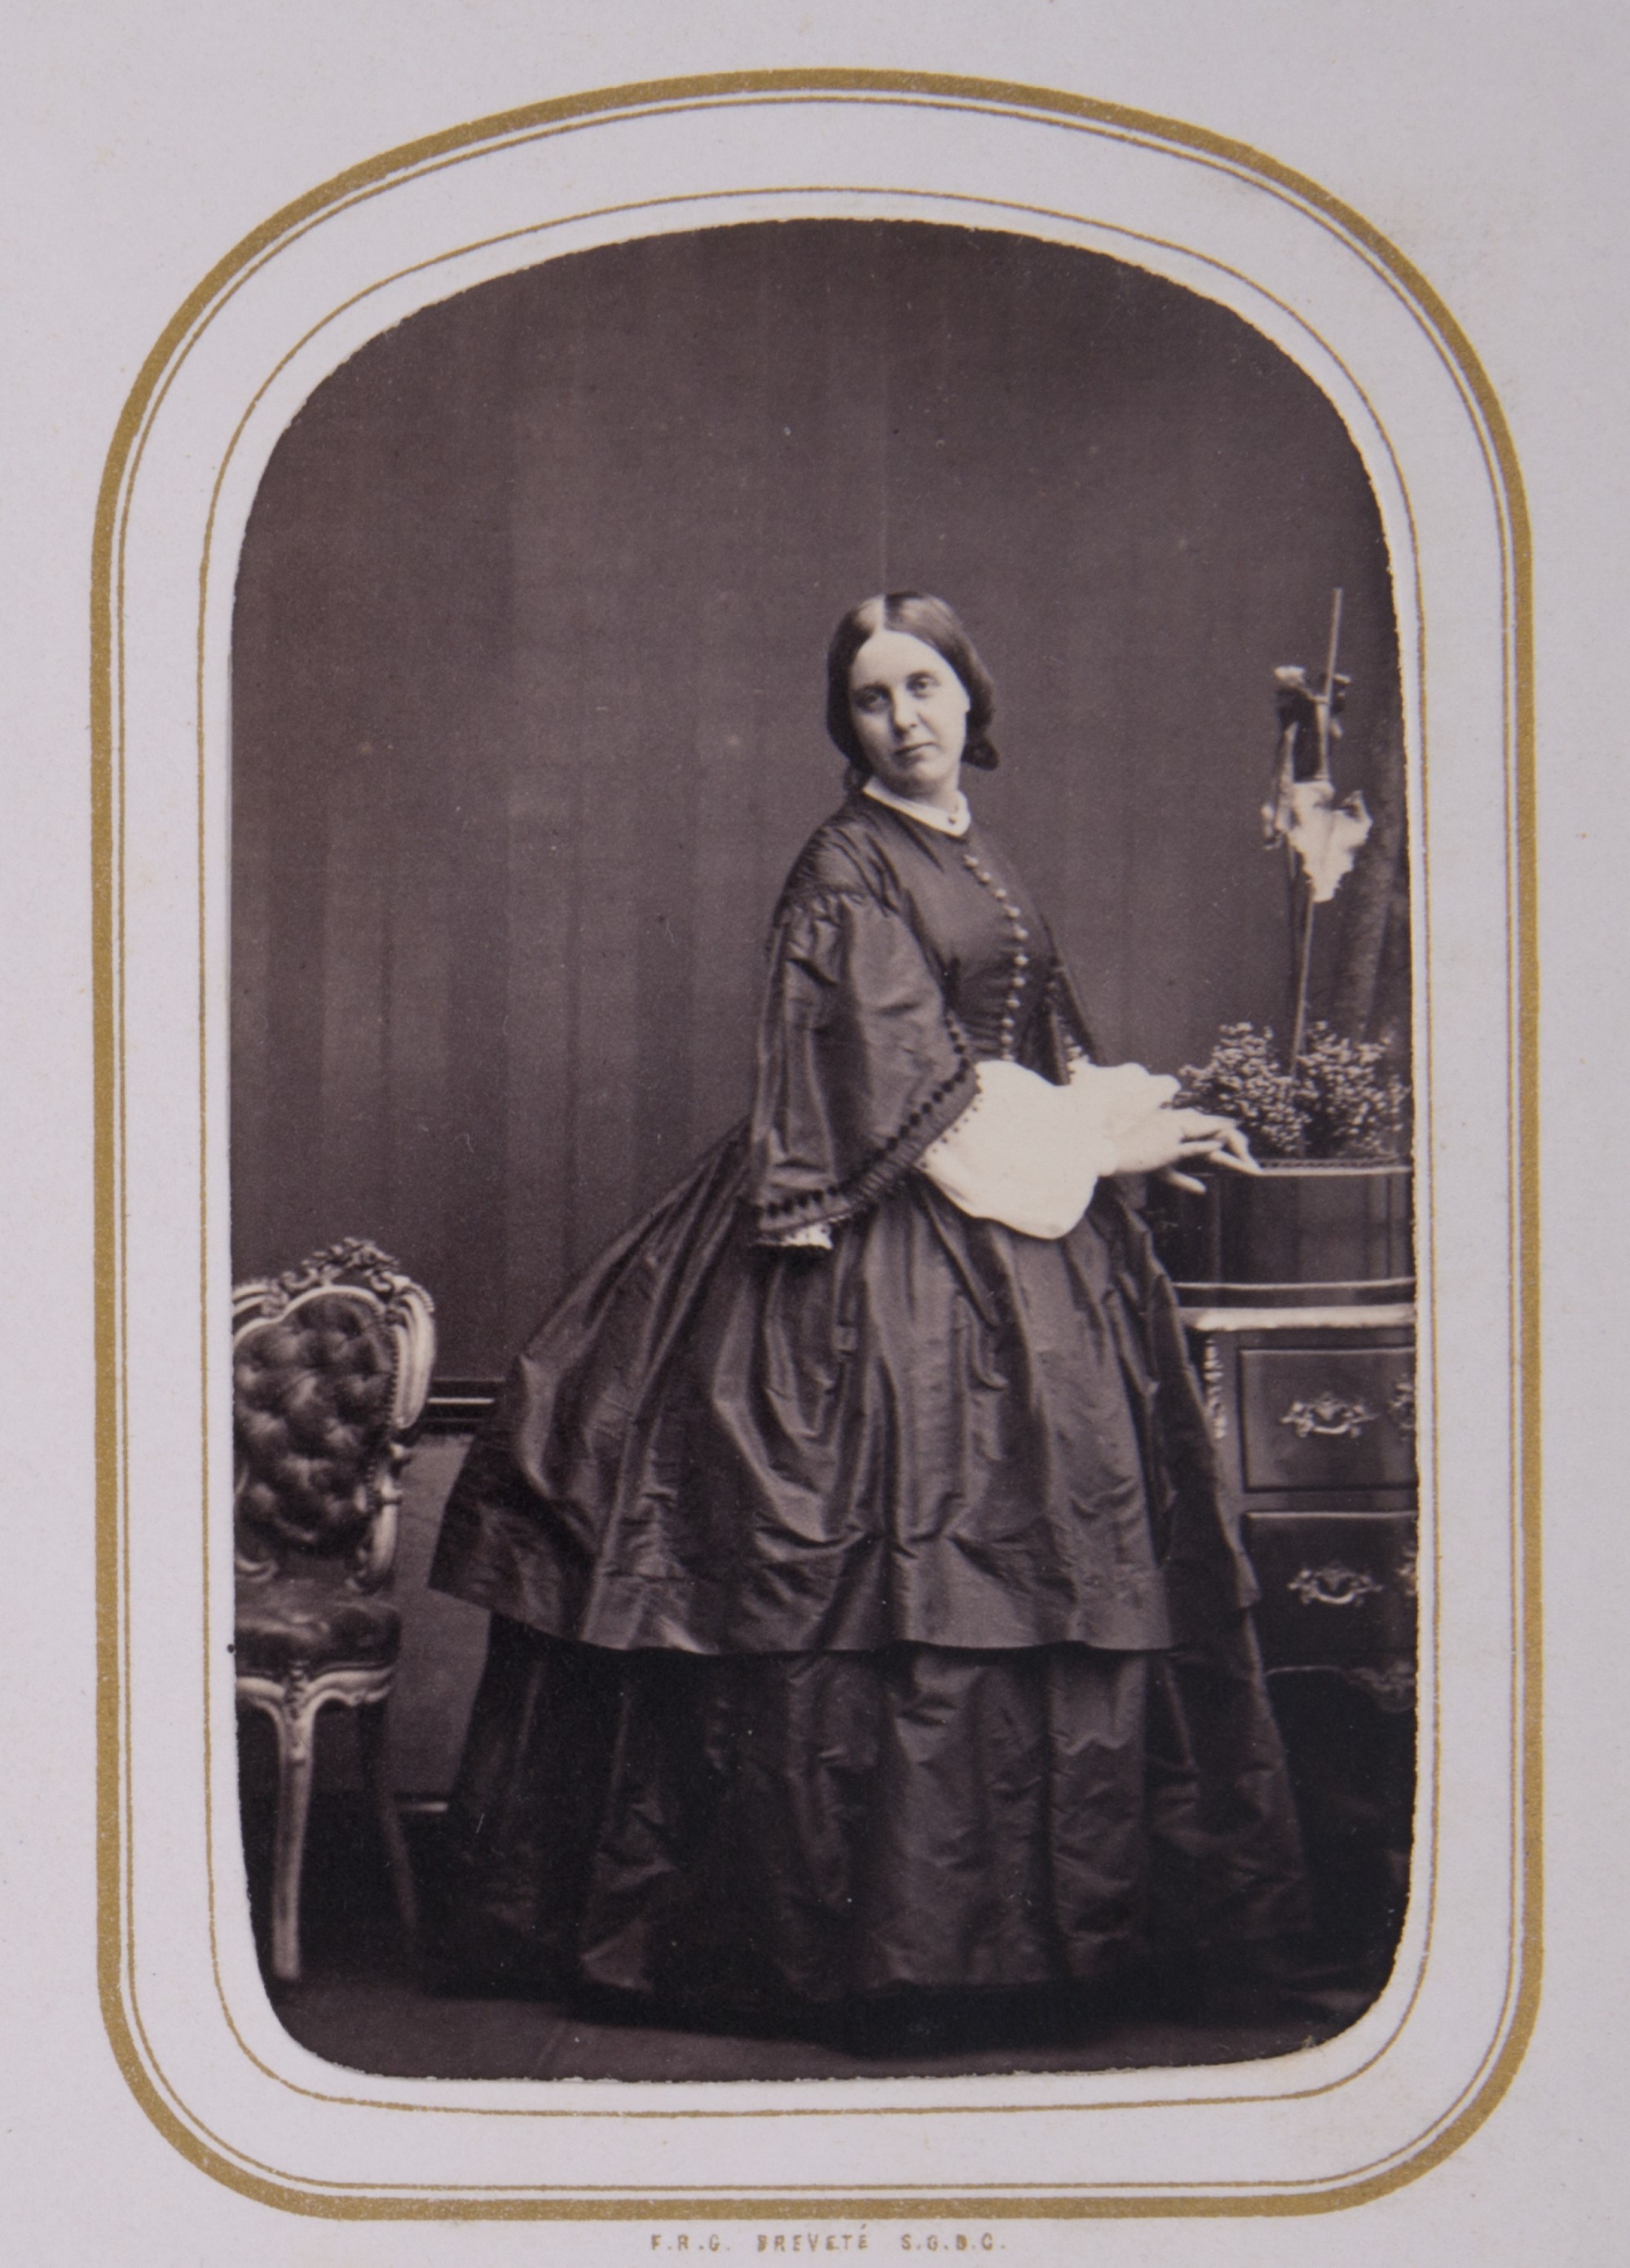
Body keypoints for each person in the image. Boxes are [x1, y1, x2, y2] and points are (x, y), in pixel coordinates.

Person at [428, 592, 1309, 2041]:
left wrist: (1134, 1126)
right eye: (873, 698)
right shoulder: (845, 864)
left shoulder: (974, 851)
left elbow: (1028, 1050)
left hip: (1009, 1251)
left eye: (925, 687)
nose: (905, 719)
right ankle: (860, 1952)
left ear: (972, 695)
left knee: (1031, 1555)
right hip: (862, 1232)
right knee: (849, 1561)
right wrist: (1101, 1153)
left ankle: (1030, 1942)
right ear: (844, 724)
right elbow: (903, 1088)